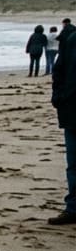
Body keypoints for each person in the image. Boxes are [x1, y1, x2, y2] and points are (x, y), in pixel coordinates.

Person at [48, 18, 76, 225]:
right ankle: (73, 207)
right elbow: (59, 70)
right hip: (71, 111)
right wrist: (59, 97)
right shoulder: (72, 40)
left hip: (70, 108)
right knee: (73, 164)